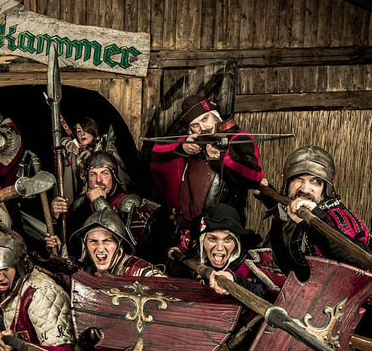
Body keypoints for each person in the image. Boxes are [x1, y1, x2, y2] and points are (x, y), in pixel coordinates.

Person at [263, 146, 372, 280]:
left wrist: (316, 221)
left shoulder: (337, 217)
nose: (305, 189)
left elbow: (356, 259)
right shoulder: (291, 207)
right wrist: (266, 195)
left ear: (325, 187)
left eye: (315, 182)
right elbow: (284, 221)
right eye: (298, 179)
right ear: (287, 182)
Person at [149, 95, 263, 227]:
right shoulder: (193, 141)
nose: (203, 127)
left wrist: (222, 157)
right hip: (189, 226)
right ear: (190, 130)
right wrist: (182, 147)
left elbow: (255, 177)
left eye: (205, 119)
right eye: (195, 125)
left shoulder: (238, 137)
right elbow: (155, 153)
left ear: (215, 115)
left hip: (225, 226)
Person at [48, 151, 167, 263]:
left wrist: (99, 202)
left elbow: (128, 247)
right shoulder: (80, 203)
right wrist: (56, 218)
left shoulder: (129, 203)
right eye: (93, 174)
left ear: (114, 176)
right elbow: (71, 244)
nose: (98, 180)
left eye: (105, 173)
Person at [193, 203, 283, 300]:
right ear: (202, 241)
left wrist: (236, 281)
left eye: (227, 240)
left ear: (236, 242)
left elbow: (276, 297)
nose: (219, 248)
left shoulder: (256, 261)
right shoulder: (195, 259)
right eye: (212, 239)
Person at [69, 208, 166, 277]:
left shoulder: (142, 273)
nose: (100, 249)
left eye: (107, 241)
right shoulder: (88, 271)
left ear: (119, 244)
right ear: (85, 245)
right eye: (93, 241)